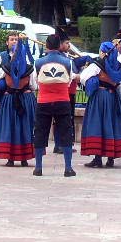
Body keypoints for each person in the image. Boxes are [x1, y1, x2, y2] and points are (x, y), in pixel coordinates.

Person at [79, 41, 121, 168]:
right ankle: (111, 158)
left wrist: (96, 80)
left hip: (99, 98)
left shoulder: (97, 65)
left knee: (98, 124)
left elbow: (83, 77)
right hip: (114, 98)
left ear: (103, 52)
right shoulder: (120, 67)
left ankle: (97, 158)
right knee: (112, 125)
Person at [32, 34, 76, 177]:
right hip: (62, 100)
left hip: (43, 101)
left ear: (46, 45)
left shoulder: (38, 62)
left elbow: (35, 81)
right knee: (66, 132)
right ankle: (68, 168)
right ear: (59, 46)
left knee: (40, 132)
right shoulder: (67, 62)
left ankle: (38, 168)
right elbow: (69, 81)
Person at [0, 34, 36, 167]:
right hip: (25, 100)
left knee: (9, 126)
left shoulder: (6, 67)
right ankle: (24, 159)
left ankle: (10, 159)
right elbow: (34, 86)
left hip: (9, 100)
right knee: (24, 127)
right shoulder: (30, 69)